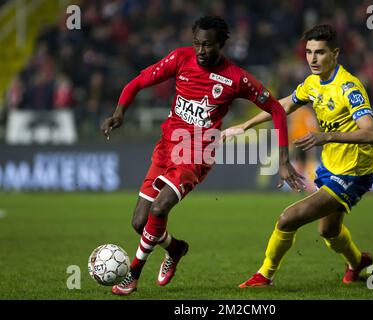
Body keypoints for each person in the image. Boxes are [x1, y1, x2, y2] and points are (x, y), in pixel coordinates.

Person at [100, 15, 304, 296]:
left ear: (220, 44)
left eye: (207, 45)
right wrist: (119, 112)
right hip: (166, 147)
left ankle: (132, 276)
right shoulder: (181, 59)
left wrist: (283, 160)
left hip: (197, 151)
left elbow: (277, 110)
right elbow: (138, 81)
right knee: (139, 223)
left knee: (160, 209)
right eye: (197, 43)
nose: (201, 50)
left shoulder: (237, 78)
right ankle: (175, 248)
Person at [222, 24, 373, 287]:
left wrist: (325, 136)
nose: (312, 59)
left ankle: (265, 275)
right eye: (308, 52)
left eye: (319, 52)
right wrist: (245, 125)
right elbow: (280, 106)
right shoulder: (312, 83)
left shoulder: (349, 88)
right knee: (328, 230)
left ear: (335, 54)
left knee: (288, 218)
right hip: (332, 165)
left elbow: (371, 133)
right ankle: (358, 262)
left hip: (354, 170)